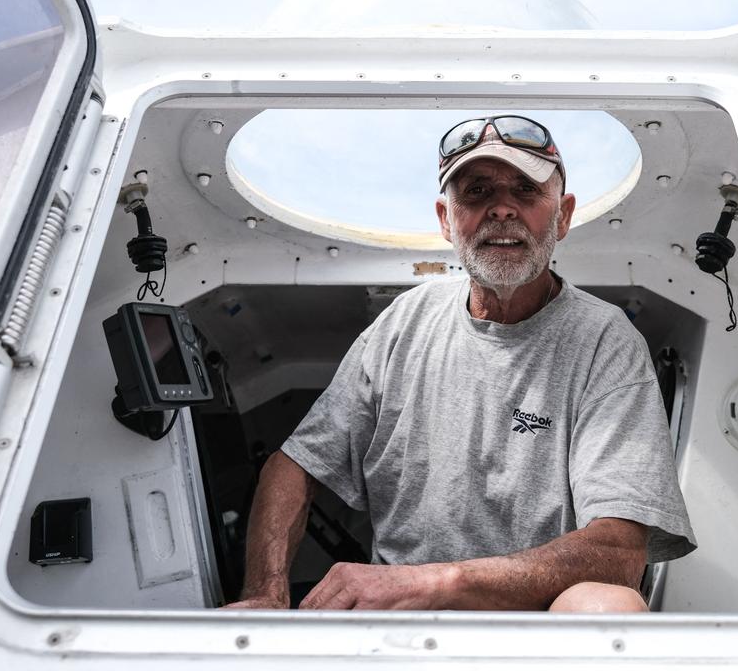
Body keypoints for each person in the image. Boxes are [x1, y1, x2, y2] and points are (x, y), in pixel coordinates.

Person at [226, 115, 695, 612]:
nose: (501, 209)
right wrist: (265, 595)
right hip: (401, 627)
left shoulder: (605, 339)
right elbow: (294, 466)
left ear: (562, 216)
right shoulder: (405, 321)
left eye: (526, 189)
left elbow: (617, 553)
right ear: (447, 220)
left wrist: (436, 583)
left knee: (607, 607)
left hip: (539, 627)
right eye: (475, 192)